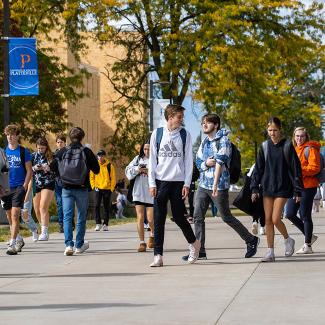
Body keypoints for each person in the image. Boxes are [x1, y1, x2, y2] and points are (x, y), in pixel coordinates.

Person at [183, 113, 259, 261]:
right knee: (198, 217)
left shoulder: (224, 141)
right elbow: (198, 162)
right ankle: (200, 250)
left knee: (226, 217)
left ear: (216, 125)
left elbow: (220, 162)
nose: (204, 125)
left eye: (207, 122)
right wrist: (206, 164)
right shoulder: (204, 141)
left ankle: (251, 240)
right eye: (202, 123)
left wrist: (216, 185)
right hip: (203, 185)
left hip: (219, 186)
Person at [148, 104, 200, 267]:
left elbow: (187, 161)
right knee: (158, 219)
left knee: (178, 217)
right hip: (160, 182)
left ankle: (194, 243)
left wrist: (186, 183)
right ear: (170, 117)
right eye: (179, 117)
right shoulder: (157, 133)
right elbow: (152, 160)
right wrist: (151, 183)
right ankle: (158, 255)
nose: (182, 119)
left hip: (178, 182)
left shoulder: (185, 135)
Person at [251, 117, 303, 262]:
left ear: (280, 130)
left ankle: (288, 240)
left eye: (275, 130)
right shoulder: (264, 146)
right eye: (269, 130)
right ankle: (270, 252)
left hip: (283, 187)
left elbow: (295, 169)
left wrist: (298, 190)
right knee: (267, 220)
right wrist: (254, 188)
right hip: (267, 187)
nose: (272, 133)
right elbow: (258, 169)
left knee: (275, 219)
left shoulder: (287, 145)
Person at [53, 127, 100, 256]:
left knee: (67, 216)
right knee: (81, 216)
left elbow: (52, 167)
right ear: (82, 138)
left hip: (66, 188)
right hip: (82, 188)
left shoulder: (62, 151)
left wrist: (61, 176)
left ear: (69, 137)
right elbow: (96, 170)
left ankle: (68, 245)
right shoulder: (86, 151)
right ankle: (79, 245)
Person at [284, 127, 320, 254]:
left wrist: (299, 172)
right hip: (295, 188)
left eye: (302, 136)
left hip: (308, 187)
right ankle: (309, 235)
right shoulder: (293, 149)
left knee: (305, 215)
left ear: (306, 137)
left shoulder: (310, 149)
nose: (299, 139)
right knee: (289, 213)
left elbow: (315, 168)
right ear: (294, 137)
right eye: (297, 136)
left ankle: (307, 245)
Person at [1, 124, 32, 255]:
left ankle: (12, 244)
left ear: (17, 136)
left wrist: (25, 185)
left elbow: (29, 170)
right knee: (9, 216)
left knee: (14, 215)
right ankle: (19, 238)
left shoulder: (23, 151)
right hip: (6, 188)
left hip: (19, 186)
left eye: (12, 135)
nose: (10, 137)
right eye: (8, 135)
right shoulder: (3, 152)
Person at [125, 140, 155, 252]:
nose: (146, 151)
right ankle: (142, 242)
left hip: (151, 192)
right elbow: (127, 171)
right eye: (145, 148)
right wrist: (138, 169)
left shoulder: (155, 159)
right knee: (140, 217)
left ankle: (152, 234)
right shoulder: (137, 159)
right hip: (138, 192)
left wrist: (150, 171)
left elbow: (161, 172)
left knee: (151, 219)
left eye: (149, 148)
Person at [31, 137, 56, 241]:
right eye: (39, 148)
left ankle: (45, 232)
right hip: (37, 184)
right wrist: (34, 168)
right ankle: (43, 228)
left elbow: (55, 169)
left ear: (46, 147)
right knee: (36, 209)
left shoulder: (51, 156)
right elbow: (29, 168)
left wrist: (48, 167)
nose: (40, 150)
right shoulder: (33, 156)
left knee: (43, 206)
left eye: (42, 148)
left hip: (48, 183)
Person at [90, 149, 116, 231]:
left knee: (106, 207)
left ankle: (105, 224)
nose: (100, 157)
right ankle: (98, 223)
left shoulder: (109, 166)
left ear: (104, 156)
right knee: (96, 205)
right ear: (97, 156)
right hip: (97, 188)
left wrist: (111, 189)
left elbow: (113, 178)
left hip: (107, 189)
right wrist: (93, 186)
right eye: (99, 155)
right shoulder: (94, 165)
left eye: (102, 155)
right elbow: (91, 177)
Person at [247, 164, 265, 235]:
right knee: (263, 209)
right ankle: (262, 227)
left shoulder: (254, 165)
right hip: (263, 189)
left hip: (254, 189)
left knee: (255, 207)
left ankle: (255, 221)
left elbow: (248, 176)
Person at [54, 134, 67, 233]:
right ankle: (61, 224)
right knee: (59, 203)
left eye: (61, 142)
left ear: (65, 143)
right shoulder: (54, 154)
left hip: (67, 181)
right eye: (58, 142)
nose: (59, 144)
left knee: (67, 203)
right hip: (57, 181)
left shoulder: (68, 153)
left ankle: (69, 222)